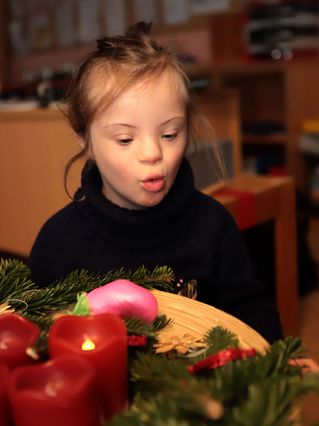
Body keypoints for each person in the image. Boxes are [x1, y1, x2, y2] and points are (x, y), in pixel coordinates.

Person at [28, 21, 283, 343]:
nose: (152, 153)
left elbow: (252, 311)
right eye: (124, 139)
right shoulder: (58, 242)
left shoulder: (213, 224)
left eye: (169, 134)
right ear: (84, 139)